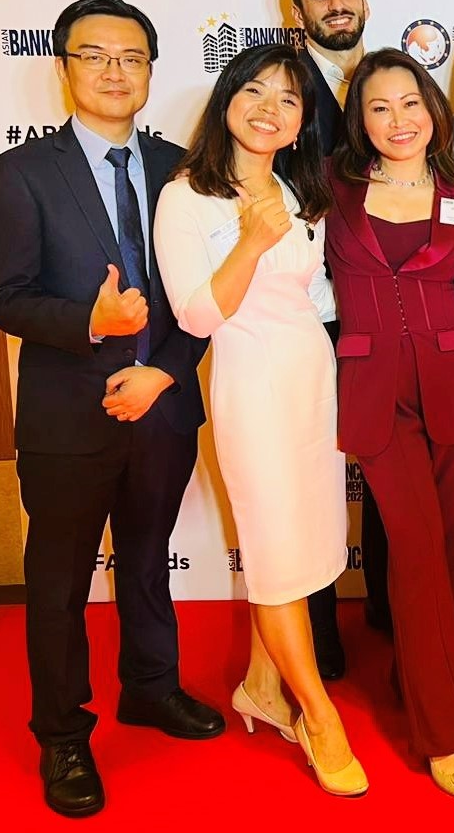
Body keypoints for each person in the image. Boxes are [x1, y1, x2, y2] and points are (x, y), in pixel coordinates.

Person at [0, 0, 223, 818]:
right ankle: (62, 733)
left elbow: (201, 302)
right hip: (68, 417)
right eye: (95, 55)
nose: (114, 71)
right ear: (65, 67)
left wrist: (163, 372)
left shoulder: (183, 167)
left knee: (148, 559)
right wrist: (91, 320)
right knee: (58, 583)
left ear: (150, 69)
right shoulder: (21, 172)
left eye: (132, 57)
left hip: (163, 405)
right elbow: (6, 297)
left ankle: (151, 687)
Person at [153, 43, 366, 796]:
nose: (269, 108)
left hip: (312, 385)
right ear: (227, 99)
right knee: (276, 557)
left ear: (302, 121)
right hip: (251, 390)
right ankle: (318, 716)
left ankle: (260, 685)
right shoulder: (187, 196)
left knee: (304, 546)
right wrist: (250, 239)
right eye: (255, 91)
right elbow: (197, 315)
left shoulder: (299, 192)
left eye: (288, 98)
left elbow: (314, 299)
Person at [326, 49, 454, 798]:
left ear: (432, 110)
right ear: (359, 122)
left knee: (442, 547)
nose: (397, 120)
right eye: (379, 107)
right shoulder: (331, 189)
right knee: (417, 550)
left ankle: (415, 670)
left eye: (409, 103)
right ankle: (445, 730)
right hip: (374, 392)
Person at [287, 0, 390, 678]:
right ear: (299, 14)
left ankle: (388, 605)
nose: (336, 3)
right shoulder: (283, 90)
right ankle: (321, 627)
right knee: (316, 472)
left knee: (389, 464)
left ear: (365, 1)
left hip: (388, 307)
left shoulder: (392, 83)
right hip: (313, 313)